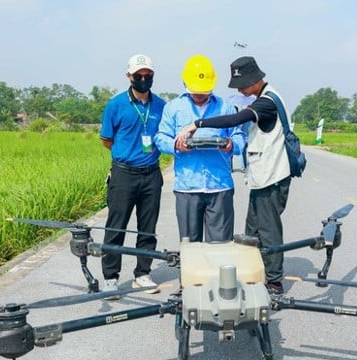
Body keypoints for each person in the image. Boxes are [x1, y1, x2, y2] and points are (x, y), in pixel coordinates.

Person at [178, 56, 292, 295]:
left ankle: (274, 281)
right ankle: (254, 273)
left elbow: (236, 120)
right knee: (252, 231)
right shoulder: (266, 97)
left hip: (273, 177)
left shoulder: (267, 102)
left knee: (268, 230)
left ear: (254, 80)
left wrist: (197, 124)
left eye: (241, 85)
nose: (239, 90)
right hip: (263, 178)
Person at [155, 54, 245, 243]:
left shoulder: (225, 108)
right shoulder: (174, 108)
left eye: (203, 91)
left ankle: (216, 273)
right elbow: (160, 138)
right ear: (185, 82)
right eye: (195, 90)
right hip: (188, 186)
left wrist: (231, 145)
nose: (199, 94)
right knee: (190, 247)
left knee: (220, 245)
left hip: (219, 185)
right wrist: (176, 145)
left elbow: (239, 136)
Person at [99, 54, 165, 299]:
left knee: (147, 227)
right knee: (116, 226)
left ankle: (142, 273)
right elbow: (107, 140)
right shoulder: (116, 105)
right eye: (139, 76)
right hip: (124, 174)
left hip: (151, 174)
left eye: (148, 76)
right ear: (129, 76)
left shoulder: (160, 106)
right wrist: (127, 153)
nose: (144, 79)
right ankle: (111, 278)